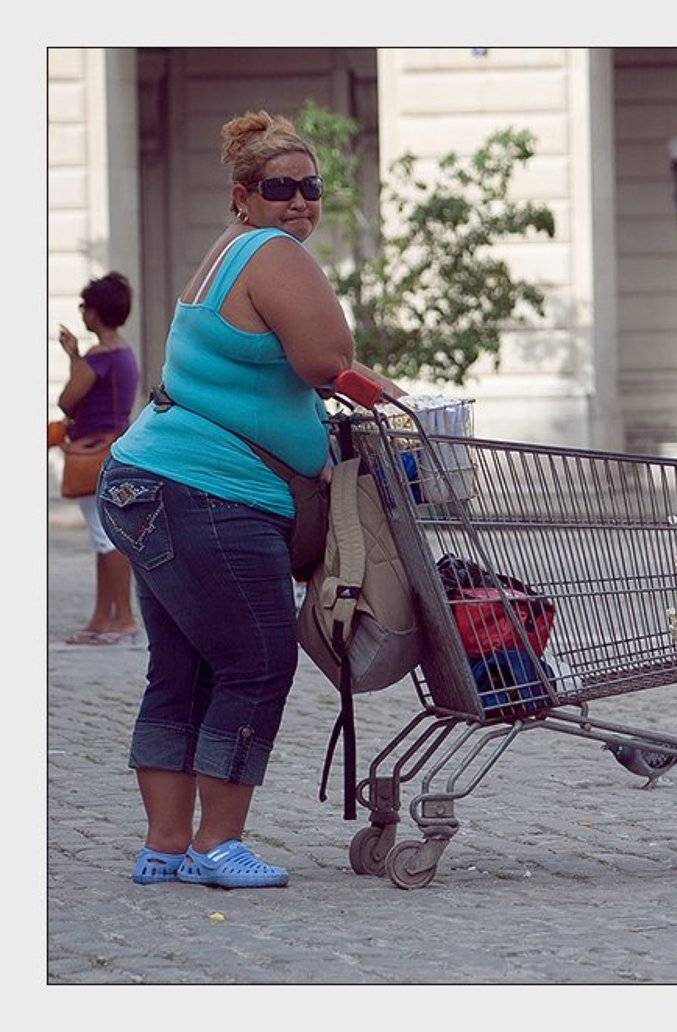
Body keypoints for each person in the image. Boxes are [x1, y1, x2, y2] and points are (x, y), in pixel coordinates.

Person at [100, 110, 405, 888]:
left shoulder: (228, 254)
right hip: (208, 492)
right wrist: (392, 399)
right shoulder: (273, 253)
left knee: (182, 667)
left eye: (312, 187)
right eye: (281, 188)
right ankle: (217, 844)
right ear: (245, 196)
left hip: (150, 483)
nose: (301, 202)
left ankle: (165, 846)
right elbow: (326, 360)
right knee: (258, 659)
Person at [56, 272, 142, 645]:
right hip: (113, 447)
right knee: (103, 536)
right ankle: (101, 617)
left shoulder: (100, 356)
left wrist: (74, 355)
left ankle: (121, 617)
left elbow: (67, 399)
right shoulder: (124, 352)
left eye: (84, 307)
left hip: (93, 451)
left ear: (94, 312)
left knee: (106, 537)